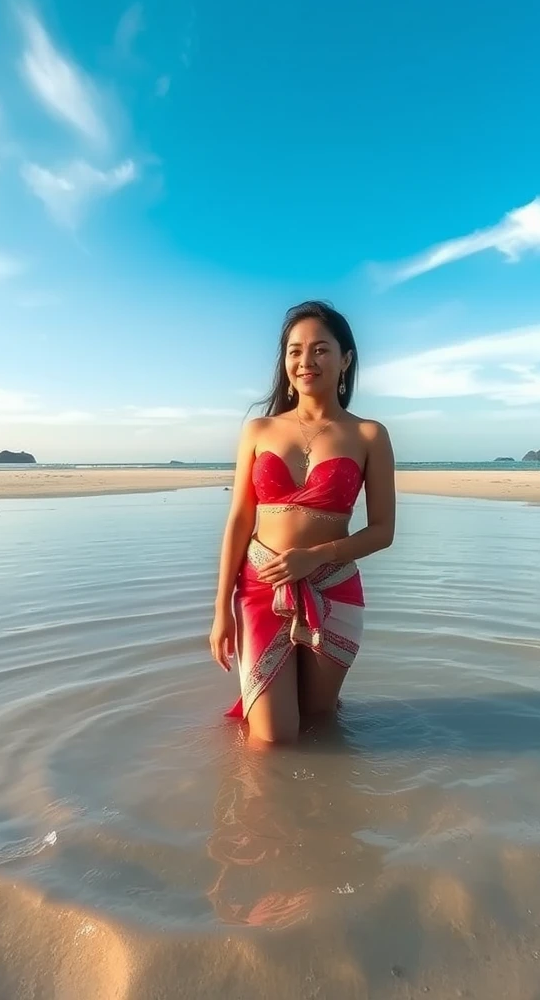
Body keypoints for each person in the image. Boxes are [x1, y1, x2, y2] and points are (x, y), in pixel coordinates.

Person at [209, 300, 396, 746]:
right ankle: (266, 812)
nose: (305, 361)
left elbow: (383, 530)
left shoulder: (369, 434)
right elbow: (239, 519)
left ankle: (323, 808)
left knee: (320, 721)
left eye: (320, 349)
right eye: (294, 351)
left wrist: (314, 556)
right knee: (273, 738)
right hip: (259, 586)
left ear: (345, 358)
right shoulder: (259, 430)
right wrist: (221, 611)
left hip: (333, 586)